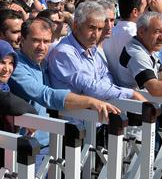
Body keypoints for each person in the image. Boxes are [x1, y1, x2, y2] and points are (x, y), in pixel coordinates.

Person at [9, 18, 118, 162]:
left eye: (46, 41)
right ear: (22, 40)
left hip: (51, 142)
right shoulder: (15, 66)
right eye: (36, 40)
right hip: (27, 149)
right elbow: (46, 95)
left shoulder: (43, 61)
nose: (42, 47)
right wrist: (90, 101)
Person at [47, 1, 145, 102]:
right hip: (76, 116)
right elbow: (91, 87)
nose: (96, 34)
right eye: (91, 28)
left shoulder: (91, 48)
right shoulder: (64, 53)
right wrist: (131, 94)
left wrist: (104, 88)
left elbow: (106, 75)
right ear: (76, 26)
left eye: (100, 29)